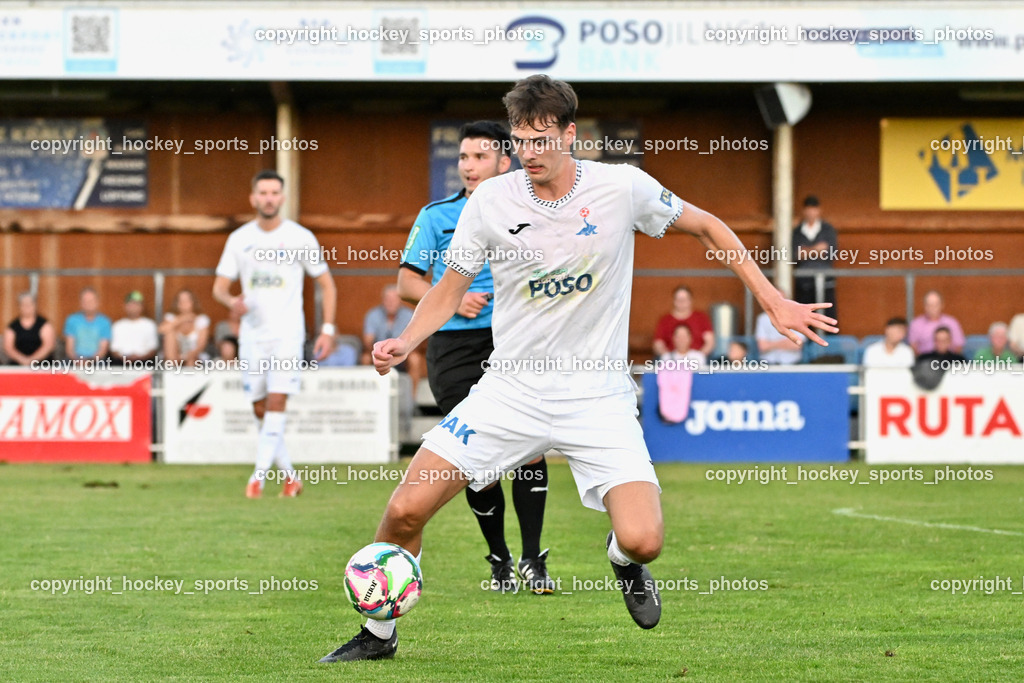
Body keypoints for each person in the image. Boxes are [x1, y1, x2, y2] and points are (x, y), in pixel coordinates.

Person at [319, 75, 836, 663]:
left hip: (598, 398)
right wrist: (405, 340)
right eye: (520, 141)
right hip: (510, 390)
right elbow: (448, 288)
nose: (530, 153)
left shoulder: (621, 188)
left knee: (645, 541)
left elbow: (707, 226)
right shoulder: (491, 201)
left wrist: (771, 298)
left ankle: (621, 563)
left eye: (542, 140)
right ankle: (377, 636)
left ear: (570, 134)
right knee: (404, 508)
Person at [397, 120, 552, 596]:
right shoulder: (436, 216)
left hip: (513, 343)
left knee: (531, 444)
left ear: (504, 162)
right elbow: (407, 284)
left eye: (479, 157)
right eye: (463, 158)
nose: (468, 166)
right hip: (454, 347)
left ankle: (532, 557)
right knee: (474, 453)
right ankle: (499, 557)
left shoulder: (532, 211)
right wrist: (454, 299)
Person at [213, 169, 337, 498]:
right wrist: (231, 301)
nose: (268, 198)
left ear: (282, 198)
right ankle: (291, 478)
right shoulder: (239, 239)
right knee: (259, 407)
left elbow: (326, 283)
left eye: (274, 193)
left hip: (287, 334)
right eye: (263, 193)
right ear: (253, 198)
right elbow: (220, 287)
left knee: (277, 400)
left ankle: (257, 479)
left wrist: (327, 329)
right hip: (252, 335)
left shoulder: (300, 236)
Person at [362, 285, 424, 394]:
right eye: (388, 299)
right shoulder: (373, 315)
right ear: (383, 300)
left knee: (415, 359)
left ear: (400, 301)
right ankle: (367, 396)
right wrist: (382, 352)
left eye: (394, 299)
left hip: (404, 355)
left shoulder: (409, 315)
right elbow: (367, 341)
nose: (391, 302)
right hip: (378, 354)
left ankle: (411, 400)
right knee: (365, 358)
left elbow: (417, 340)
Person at [791, 195, 838, 314]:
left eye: (814, 208)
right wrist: (817, 249)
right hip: (804, 282)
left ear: (819, 210)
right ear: (804, 211)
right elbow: (795, 255)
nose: (811, 212)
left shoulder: (828, 229)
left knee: (829, 317)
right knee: (805, 318)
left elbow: (830, 253)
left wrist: (806, 251)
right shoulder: (797, 231)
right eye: (808, 208)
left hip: (826, 280)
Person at [652, 285, 714, 357]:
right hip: (671, 361)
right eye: (678, 299)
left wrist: (698, 357)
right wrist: (669, 357)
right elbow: (658, 344)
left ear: (690, 300)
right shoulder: (665, 320)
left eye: (684, 299)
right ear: (673, 300)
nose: (681, 302)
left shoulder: (701, 317)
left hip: (697, 361)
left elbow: (710, 342)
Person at [159, 289, 210, 366]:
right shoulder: (171, 317)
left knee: (191, 361)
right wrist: (181, 319)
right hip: (173, 357)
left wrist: (185, 357)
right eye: (180, 301)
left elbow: (201, 345)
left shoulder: (201, 319)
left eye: (187, 300)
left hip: (194, 357)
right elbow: (161, 330)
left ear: (193, 302)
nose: (183, 304)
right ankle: (172, 370)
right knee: (169, 332)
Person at [4, 292, 56, 366]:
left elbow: (48, 346)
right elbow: (8, 348)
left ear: (35, 305)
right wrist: (23, 360)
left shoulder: (45, 325)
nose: (26, 307)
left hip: (43, 363)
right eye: (23, 304)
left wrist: (32, 360)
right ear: (19, 306)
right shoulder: (12, 326)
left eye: (29, 304)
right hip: (18, 363)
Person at [907, 291, 965, 356]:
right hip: (925, 361)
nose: (932, 308)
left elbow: (958, 347)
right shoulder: (916, 324)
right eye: (929, 305)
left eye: (936, 304)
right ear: (924, 306)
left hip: (948, 360)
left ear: (942, 305)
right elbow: (913, 348)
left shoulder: (952, 322)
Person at [110, 290, 159, 365]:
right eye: (130, 304)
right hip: (121, 363)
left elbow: (153, 349)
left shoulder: (150, 325)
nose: (133, 307)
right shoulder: (117, 326)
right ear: (125, 306)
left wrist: (138, 358)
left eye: (136, 304)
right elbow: (114, 350)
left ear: (142, 306)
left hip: (145, 363)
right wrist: (126, 359)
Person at [756, 290, 804, 365]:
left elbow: (797, 345)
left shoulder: (796, 317)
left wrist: (772, 344)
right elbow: (762, 346)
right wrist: (784, 342)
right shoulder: (763, 318)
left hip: (792, 364)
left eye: (781, 300)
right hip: (768, 364)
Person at [63, 287, 111, 360]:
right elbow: (69, 349)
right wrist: (78, 360)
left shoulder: (104, 322)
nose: (88, 304)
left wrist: (89, 361)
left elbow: (102, 350)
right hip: (74, 360)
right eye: (85, 301)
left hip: (97, 361)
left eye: (91, 301)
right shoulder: (72, 320)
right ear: (80, 303)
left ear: (97, 302)